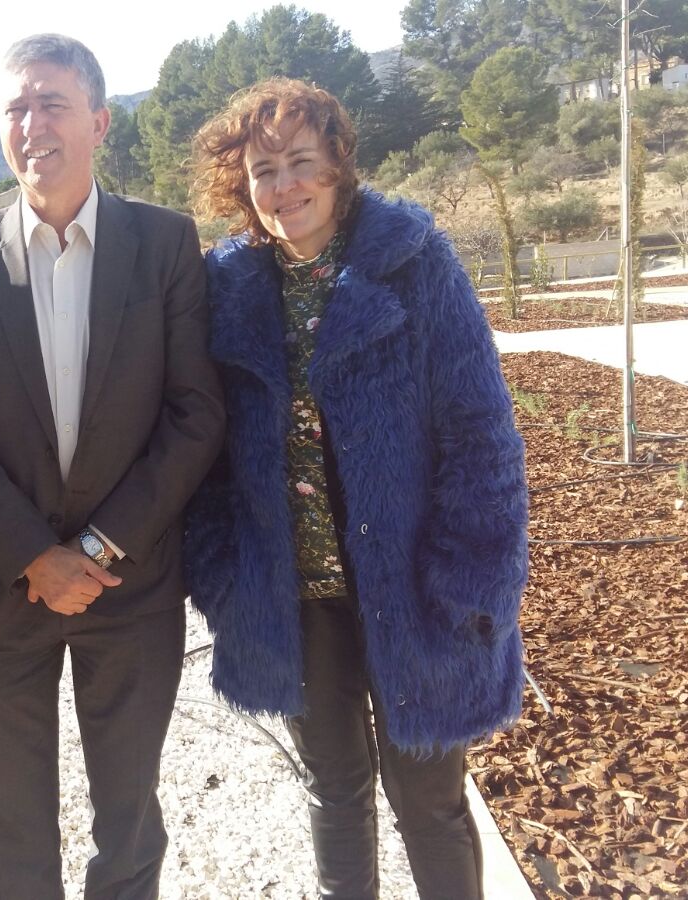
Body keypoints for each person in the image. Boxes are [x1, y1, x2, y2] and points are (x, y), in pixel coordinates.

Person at [183, 77, 530, 898]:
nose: (285, 186)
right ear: (242, 186)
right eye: (264, 171)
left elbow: (480, 430)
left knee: (430, 802)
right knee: (334, 793)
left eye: (302, 161)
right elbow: (205, 452)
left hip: (417, 590)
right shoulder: (228, 288)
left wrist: (468, 580)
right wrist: (226, 579)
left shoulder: (413, 264)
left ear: (339, 164)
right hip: (294, 595)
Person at [0, 33, 226, 900]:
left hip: (130, 582)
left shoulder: (165, 244)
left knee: (128, 813)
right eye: (16, 108)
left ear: (99, 122)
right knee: (5, 817)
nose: (32, 124)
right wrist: (33, 555)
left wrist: (95, 548)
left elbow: (195, 412)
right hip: (1, 583)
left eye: (51, 103)